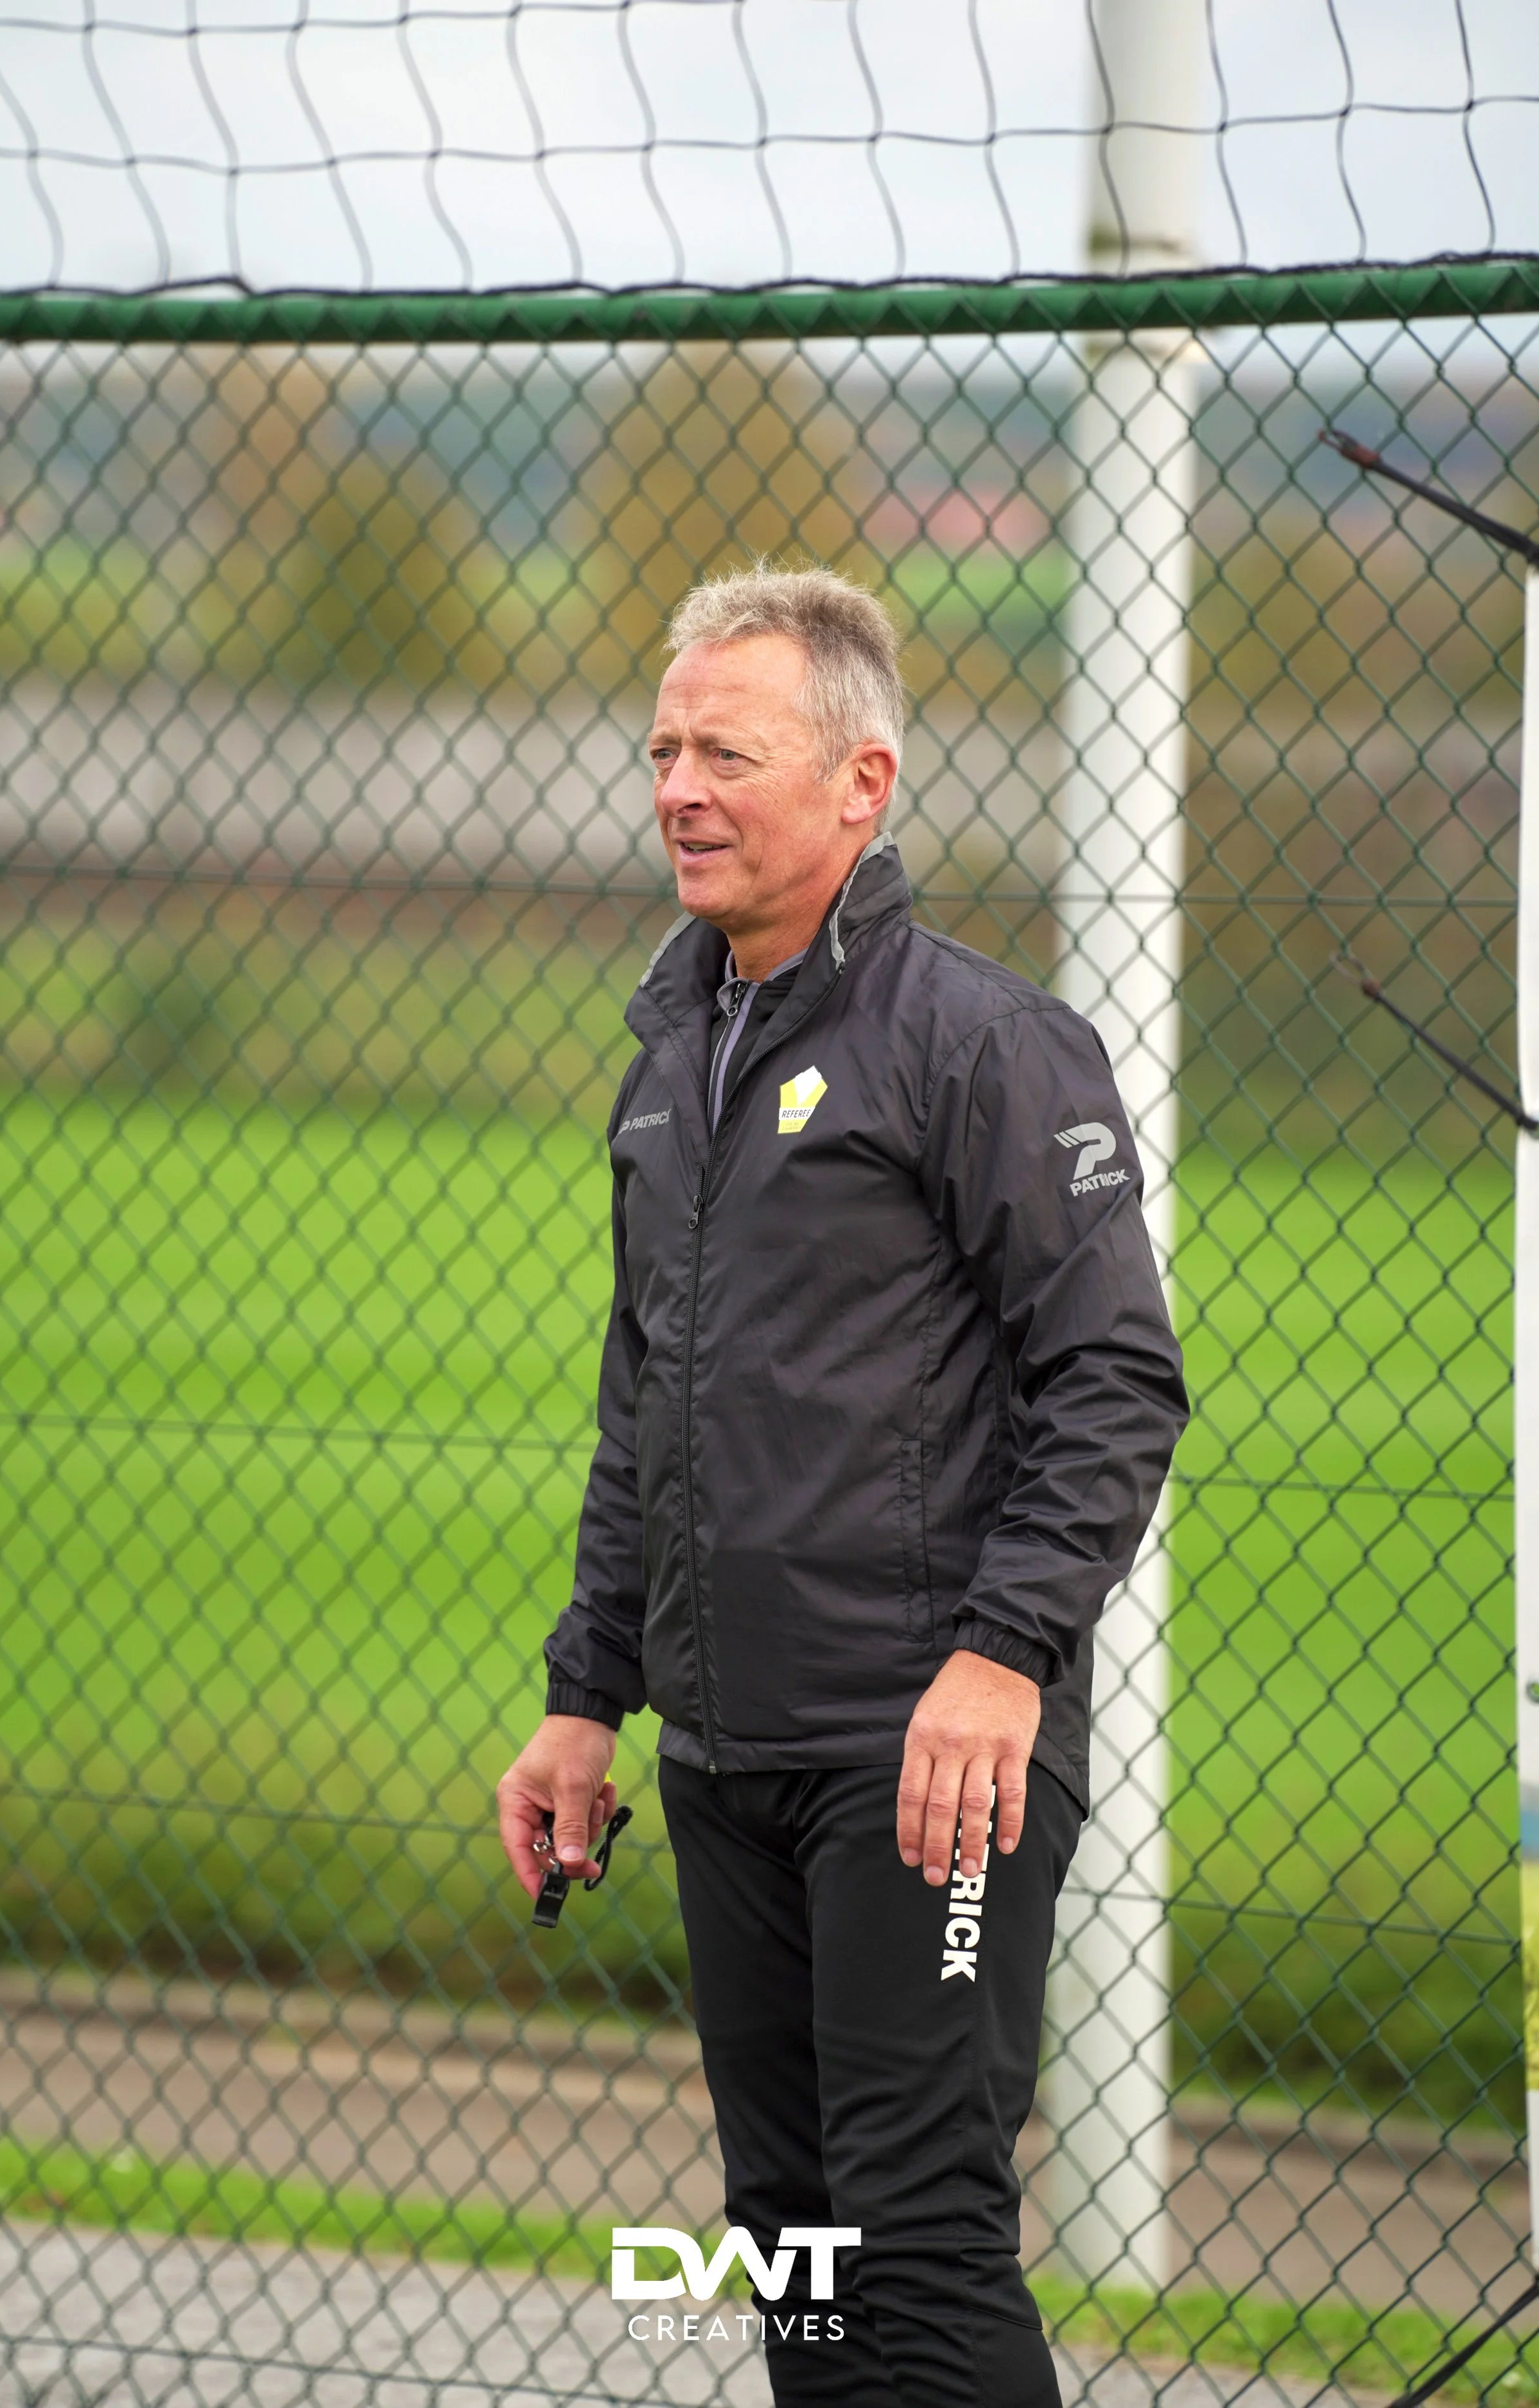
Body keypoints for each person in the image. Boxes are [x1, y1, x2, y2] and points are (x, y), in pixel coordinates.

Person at [497, 563, 1188, 2407]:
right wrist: (587, 1699)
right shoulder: (667, 1057)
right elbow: (646, 1396)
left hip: (930, 1757)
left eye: (725, 749)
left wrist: (1000, 1652)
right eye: (661, 748)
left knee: (918, 2229)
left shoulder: (984, 1042)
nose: (677, 788)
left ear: (859, 783)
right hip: (727, 1755)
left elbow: (1114, 1377)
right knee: (791, 2234)